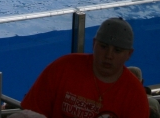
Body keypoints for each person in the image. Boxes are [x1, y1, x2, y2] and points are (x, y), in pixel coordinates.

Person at [21, 17, 149, 118]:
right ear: (93, 44)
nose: (109, 56)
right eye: (103, 47)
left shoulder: (135, 96)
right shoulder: (62, 68)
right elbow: (29, 113)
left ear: (129, 54)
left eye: (117, 50)